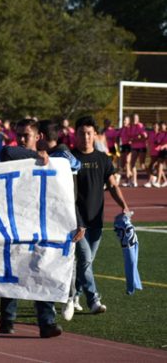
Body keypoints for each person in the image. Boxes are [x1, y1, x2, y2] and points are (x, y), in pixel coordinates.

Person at [0, 118, 73, 338]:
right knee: (12, 270)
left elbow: (64, 193)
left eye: (26, 135)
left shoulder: (52, 161)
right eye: (19, 135)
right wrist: (36, 156)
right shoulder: (17, 156)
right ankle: (7, 319)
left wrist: (77, 222)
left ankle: (47, 322)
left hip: (41, 223)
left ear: (38, 137)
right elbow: (7, 152)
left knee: (43, 269)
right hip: (15, 222)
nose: (21, 139)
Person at [71, 116, 130, 315]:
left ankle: (74, 295)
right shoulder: (70, 159)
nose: (85, 137)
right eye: (82, 133)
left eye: (89, 133)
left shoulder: (103, 159)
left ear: (95, 135)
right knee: (85, 259)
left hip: (96, 220)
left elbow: (112, 185)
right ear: (76, 134)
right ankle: (93, 300)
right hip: (75, 221)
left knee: (86, 262)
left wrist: (124, 205)